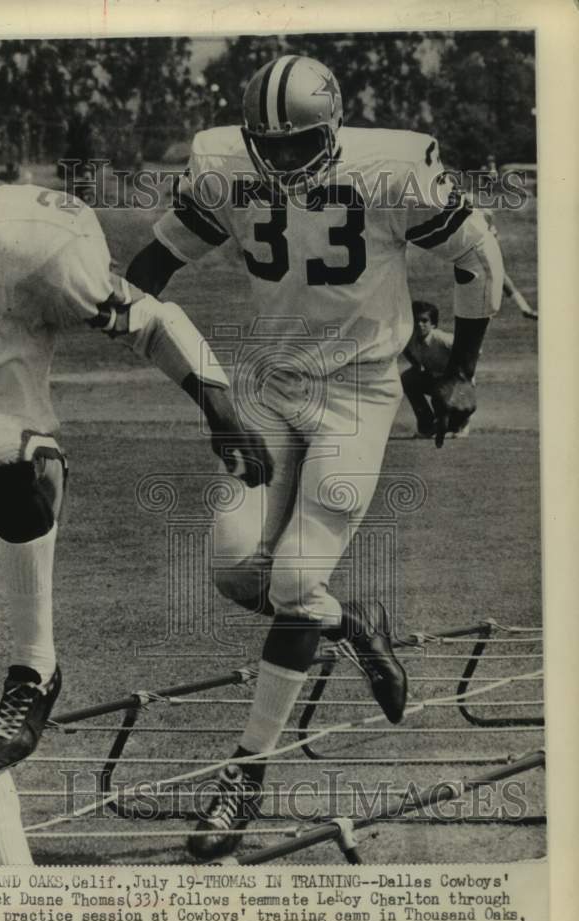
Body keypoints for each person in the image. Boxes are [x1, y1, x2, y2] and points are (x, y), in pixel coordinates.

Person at [0, 80, 271, 864]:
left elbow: (148, 319)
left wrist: (216, 401)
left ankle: (38, 666)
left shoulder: (27, 236)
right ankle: (16, 893)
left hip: (20, 457)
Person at [126, 54, 504, 859]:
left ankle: (245, 774)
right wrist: (180, 362)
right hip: (269, 381)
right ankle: (354, 621)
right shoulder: (228, 165)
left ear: (332, 128)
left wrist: (461, 370)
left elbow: (478, 260)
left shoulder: (394, 169)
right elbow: (151, 268)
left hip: (362, 393)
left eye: (299, 144)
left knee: (295, 579)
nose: (284, 161)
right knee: (234, 571)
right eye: (270, 144)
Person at [402, 301, 471, 439]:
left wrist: (465, 377)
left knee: (441, 400)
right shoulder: (408, 339)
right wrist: (417, 366)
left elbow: (471, 350)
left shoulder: (442, 338)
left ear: (433, 324)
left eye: (424, 321)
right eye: (416, 320)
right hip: (435, 379)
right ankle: (427, 426)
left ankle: (461, 422)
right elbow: (406, 350)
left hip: (457, 382)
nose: (419, 324)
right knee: (407, 378)